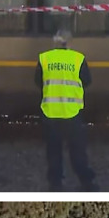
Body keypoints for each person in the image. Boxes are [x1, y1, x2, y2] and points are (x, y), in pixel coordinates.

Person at [34, 28, 96, 191]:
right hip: (72, 113)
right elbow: (87, 81)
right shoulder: (78, 59)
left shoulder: (44, 58)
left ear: (55, 42)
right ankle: (86, 182)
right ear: (69, 42)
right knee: (77, 151)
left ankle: (55, 184)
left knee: (54, 151)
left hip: (50, 113)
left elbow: (38, 81)